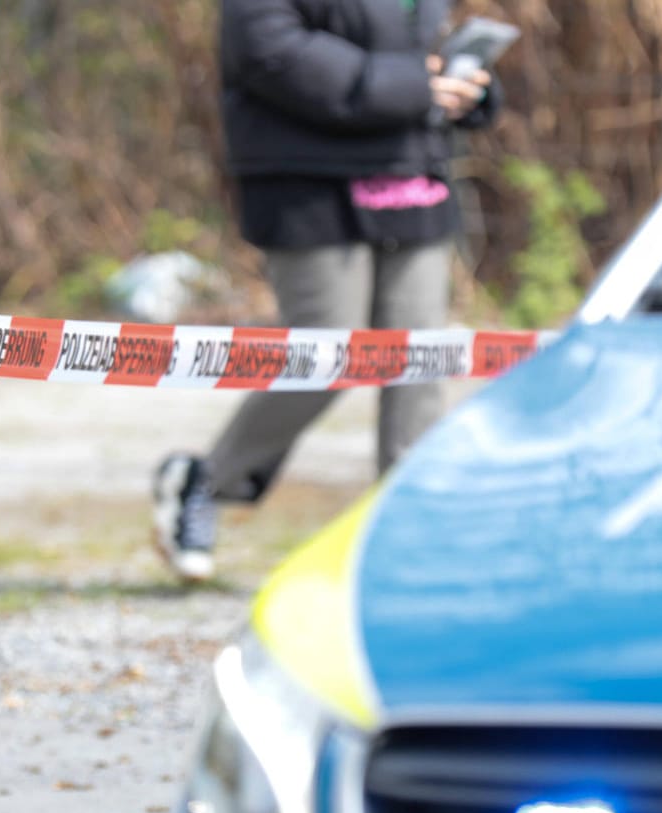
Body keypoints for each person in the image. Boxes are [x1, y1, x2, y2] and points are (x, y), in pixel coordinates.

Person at [152, 0, 501, 582]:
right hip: (306, 181)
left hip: (410, 168)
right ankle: (206, 480)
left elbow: (429, 48)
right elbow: (273, 51)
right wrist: (414, 85)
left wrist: (470, 89)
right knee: (326, 354)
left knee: (419, 361)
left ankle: (406, 542)